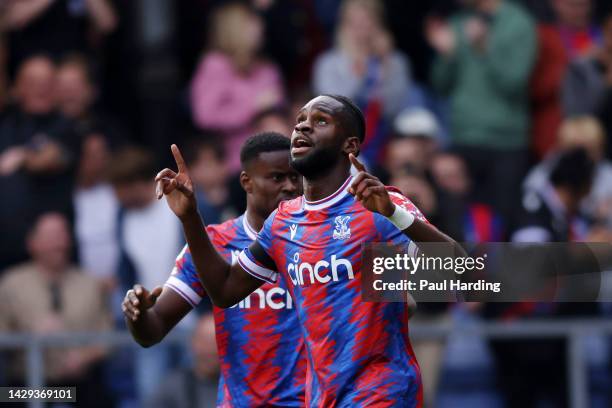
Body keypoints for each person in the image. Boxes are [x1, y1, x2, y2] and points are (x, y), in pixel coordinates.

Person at [155, 94, 461, 406]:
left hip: (381, 392)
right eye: (300, 119)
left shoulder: (378, 207)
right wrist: (190, 216)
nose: (303, 126)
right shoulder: (283, 222)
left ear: (350, 145)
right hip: (323, 396)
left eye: (320, 121)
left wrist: (396, 216)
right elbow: (225, 290)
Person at [123, 132, 305, 406]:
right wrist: (137, 315)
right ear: (247, 182)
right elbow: (154, 329)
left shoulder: (323, 240)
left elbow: (385, 301)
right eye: (278, 177)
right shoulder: (214, 244)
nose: (290, 186)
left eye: (296, 176)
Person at [427, 0, 537, 226]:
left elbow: (514, 83)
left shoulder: (519, 23)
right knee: (455, 220)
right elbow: (441, 85)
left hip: (505, 142)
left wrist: (484, 47)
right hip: (463, 136)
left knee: (503, 223)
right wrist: (447, 56)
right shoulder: (458, 22)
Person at [0, 212, 113, 408]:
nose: (59, 244)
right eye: (51, 237)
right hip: (23, 386)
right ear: (32, 243)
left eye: (63, 236)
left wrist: (84, 357)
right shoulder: (11, 284)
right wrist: (30, 337)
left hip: (79, 384)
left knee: (102, 397)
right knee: (5, 396)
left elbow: (109, 339)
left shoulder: (89, 283)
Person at [0, 55, 78, 270]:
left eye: (47, 83)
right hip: (6, 252)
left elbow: (51, 157)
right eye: (33, 83)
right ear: (17, 88)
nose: (40, 89)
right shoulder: (7, 124)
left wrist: (21, 156)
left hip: (50, 256)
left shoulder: (65, 125)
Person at [313, 0, 412, 166]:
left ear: (379, 25)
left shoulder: (395, 61)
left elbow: (395, 107)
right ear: (343, 26)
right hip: (342, 142)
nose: (361, 31)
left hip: (387, 140)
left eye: (367, 22)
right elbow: (331, 109)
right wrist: (357, 77)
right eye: (354, 23)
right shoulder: (328, 63)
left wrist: (384, 65)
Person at [190, 2, 285, 174]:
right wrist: (252, 106)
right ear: (235, 28)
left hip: (275, 158)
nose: (261, 27)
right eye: (252, 22)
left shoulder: (267, 68)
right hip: (232, 163)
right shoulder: (215, 65)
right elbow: (204, 115)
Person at [145, 313, 219, 408]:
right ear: (193, 343)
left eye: (216, 344)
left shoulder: (237, 387)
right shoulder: (172, 388)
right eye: (207, 342)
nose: (211, 350)